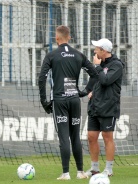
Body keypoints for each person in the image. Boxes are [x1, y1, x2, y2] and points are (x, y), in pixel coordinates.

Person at [38, 25, 98, 180]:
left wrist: (44, 100)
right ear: (69, 38)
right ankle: (80, 172)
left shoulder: (52, 55)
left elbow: (41, 78)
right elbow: (94, 74)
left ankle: (65, 173)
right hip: (74, 100)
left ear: (56, 39)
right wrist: (84, 92)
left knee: (64, 137)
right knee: (75, 136)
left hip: (60, 101)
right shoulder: (78, 55)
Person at [85, 38, 125, 177]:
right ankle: (94, 168)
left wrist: (97, 66)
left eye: (96, 49)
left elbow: (106, 80)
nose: (94, 51)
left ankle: (109, 169)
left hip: (108, 107)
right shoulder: (100, 64)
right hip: (95, 106)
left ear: (104, 51)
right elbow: (95, 81)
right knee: (91, 136)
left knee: (107, 137)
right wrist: (90, 92)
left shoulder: (117, 65)